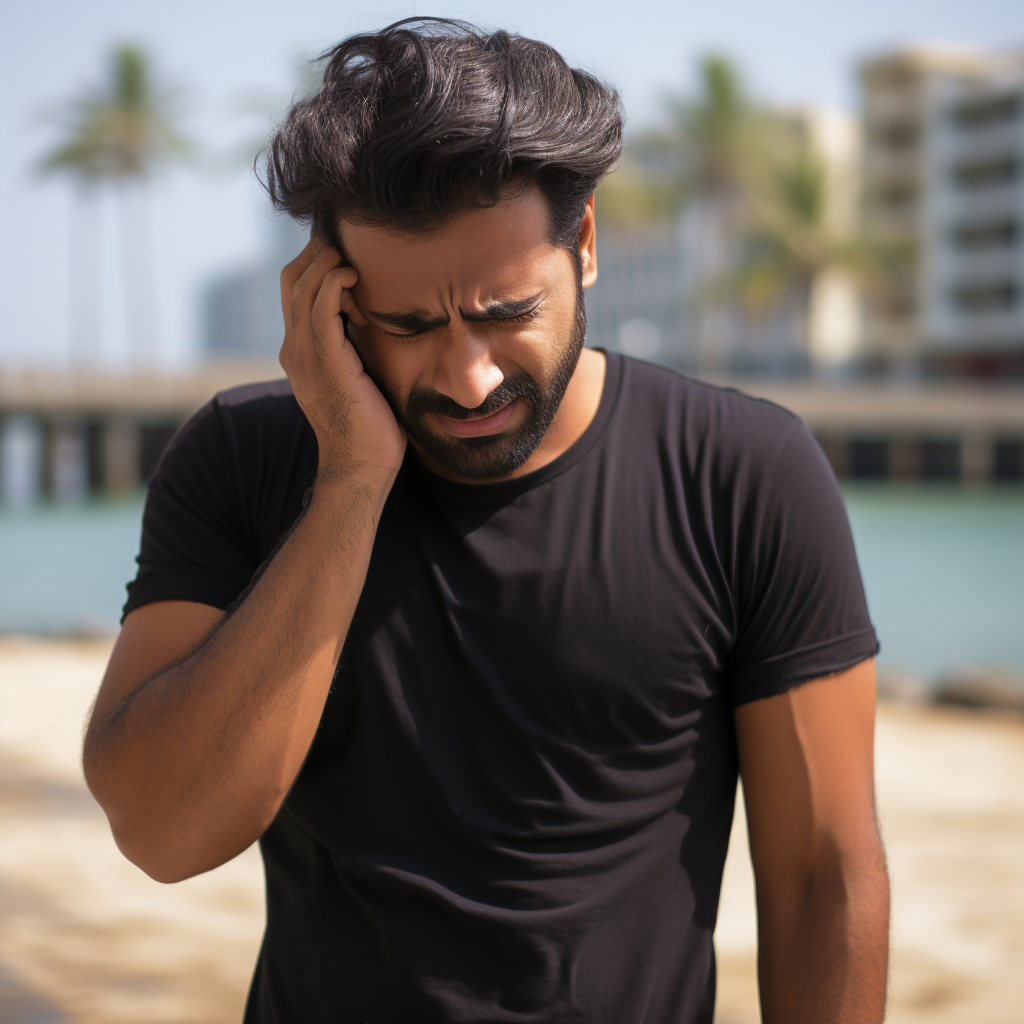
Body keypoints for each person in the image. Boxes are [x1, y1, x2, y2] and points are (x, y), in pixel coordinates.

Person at [83, 18, 889, 1024]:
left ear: (584, 245)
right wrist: (349, 483)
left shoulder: (743, 474)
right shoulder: (242, 459)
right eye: (410, 325)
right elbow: (163, 831)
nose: (468, 376)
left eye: (507, 311)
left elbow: (821, 872)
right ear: (327, 297)